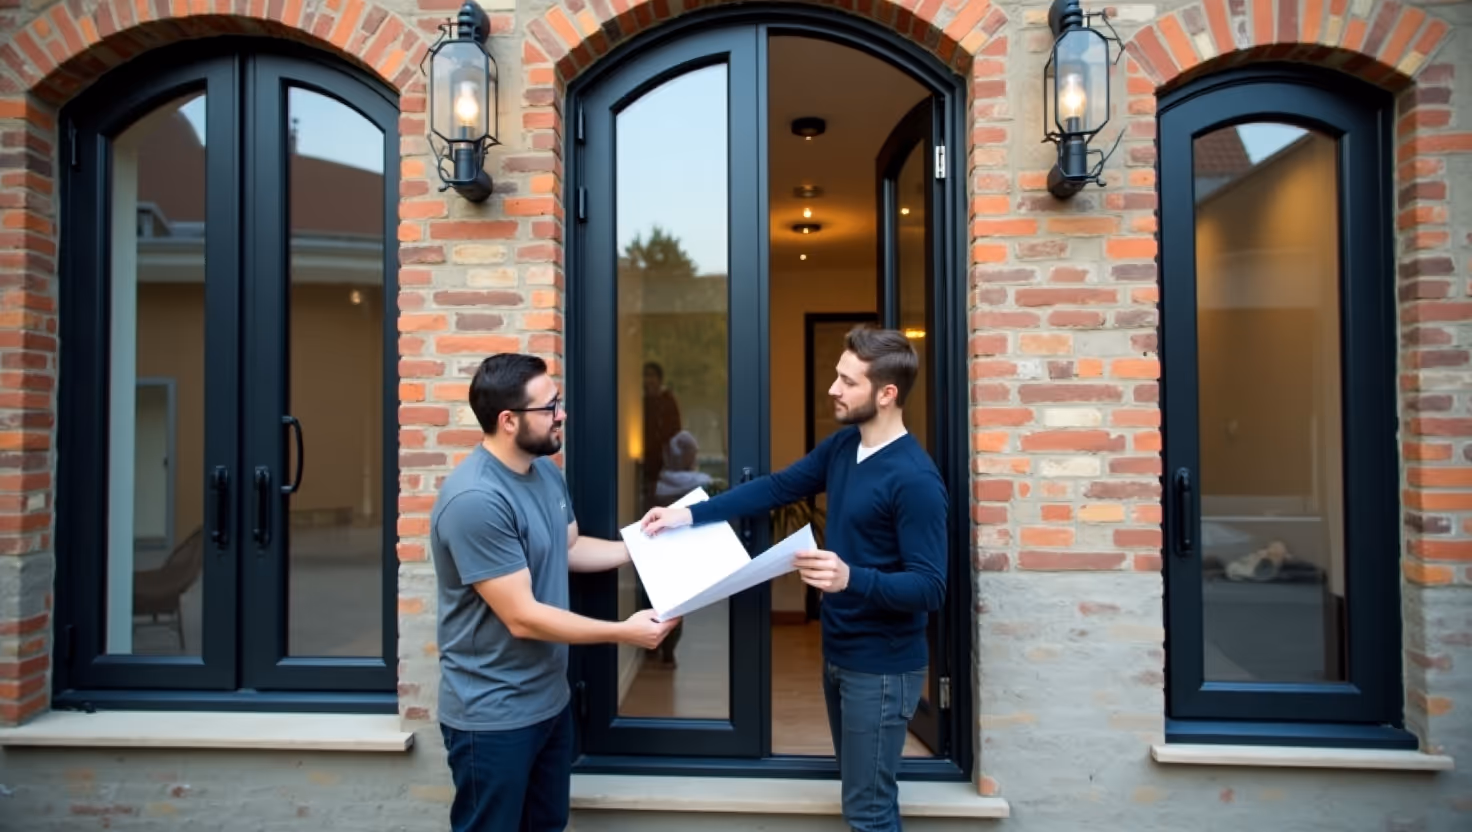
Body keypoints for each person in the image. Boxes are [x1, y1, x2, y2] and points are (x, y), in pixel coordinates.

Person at [640, 326, 947, 832]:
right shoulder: (844, 447)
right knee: (860, 798)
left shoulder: (915, 480)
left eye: (848, 381)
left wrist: (853, 578)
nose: (833, 389)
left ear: (887, 394)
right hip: (841, 654)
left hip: (884, 670)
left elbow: (930, 587)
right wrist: (688, 517)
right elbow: (779, 486)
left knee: (869, 812)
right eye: (835, 377)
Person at [430, 353, 680, 832]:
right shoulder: (476, 501)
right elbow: (521, 616)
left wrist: (644, 545)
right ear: (508, 421)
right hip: (494, 715)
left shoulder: (543, 471)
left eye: (557, 402)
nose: (561, 413)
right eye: (550, 407)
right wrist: (622, 632)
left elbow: (567, 546)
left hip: (548, 701)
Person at [641, 361, 683, 510]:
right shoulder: (641, 402)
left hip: (665, 459)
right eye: (645, 376)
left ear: (659, 379)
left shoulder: (667, 401)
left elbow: (675, 429)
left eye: (651, 375)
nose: (648, 380)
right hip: (646, 458)